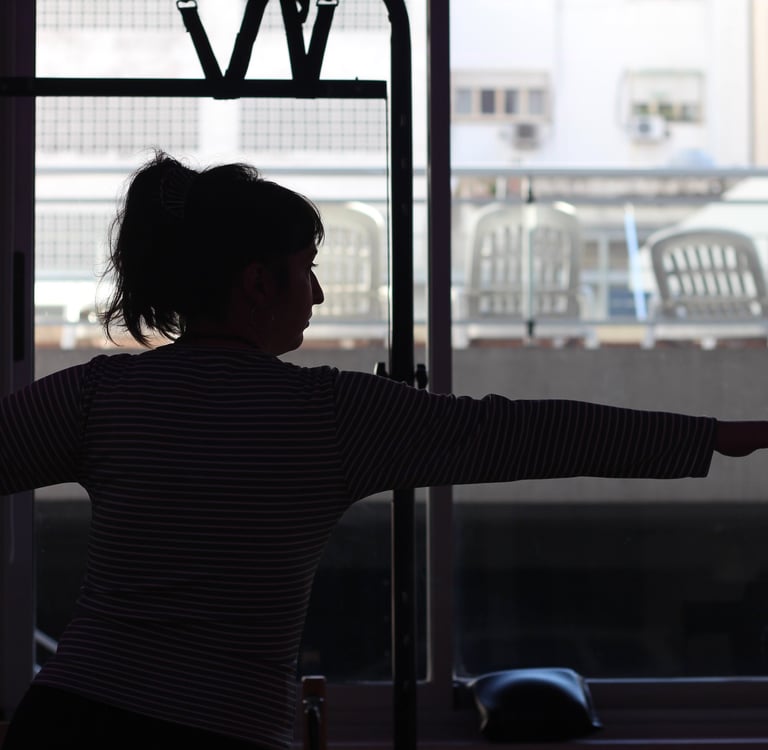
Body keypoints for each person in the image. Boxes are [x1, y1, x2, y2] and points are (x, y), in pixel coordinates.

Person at [1, 150, 767, 749]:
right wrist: (719, 437)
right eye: (307, 271)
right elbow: (522, 433)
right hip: (221, 732)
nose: (317, 295)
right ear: (257, 284)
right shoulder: (330, 414)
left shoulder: (99, 395)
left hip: (67, 720)